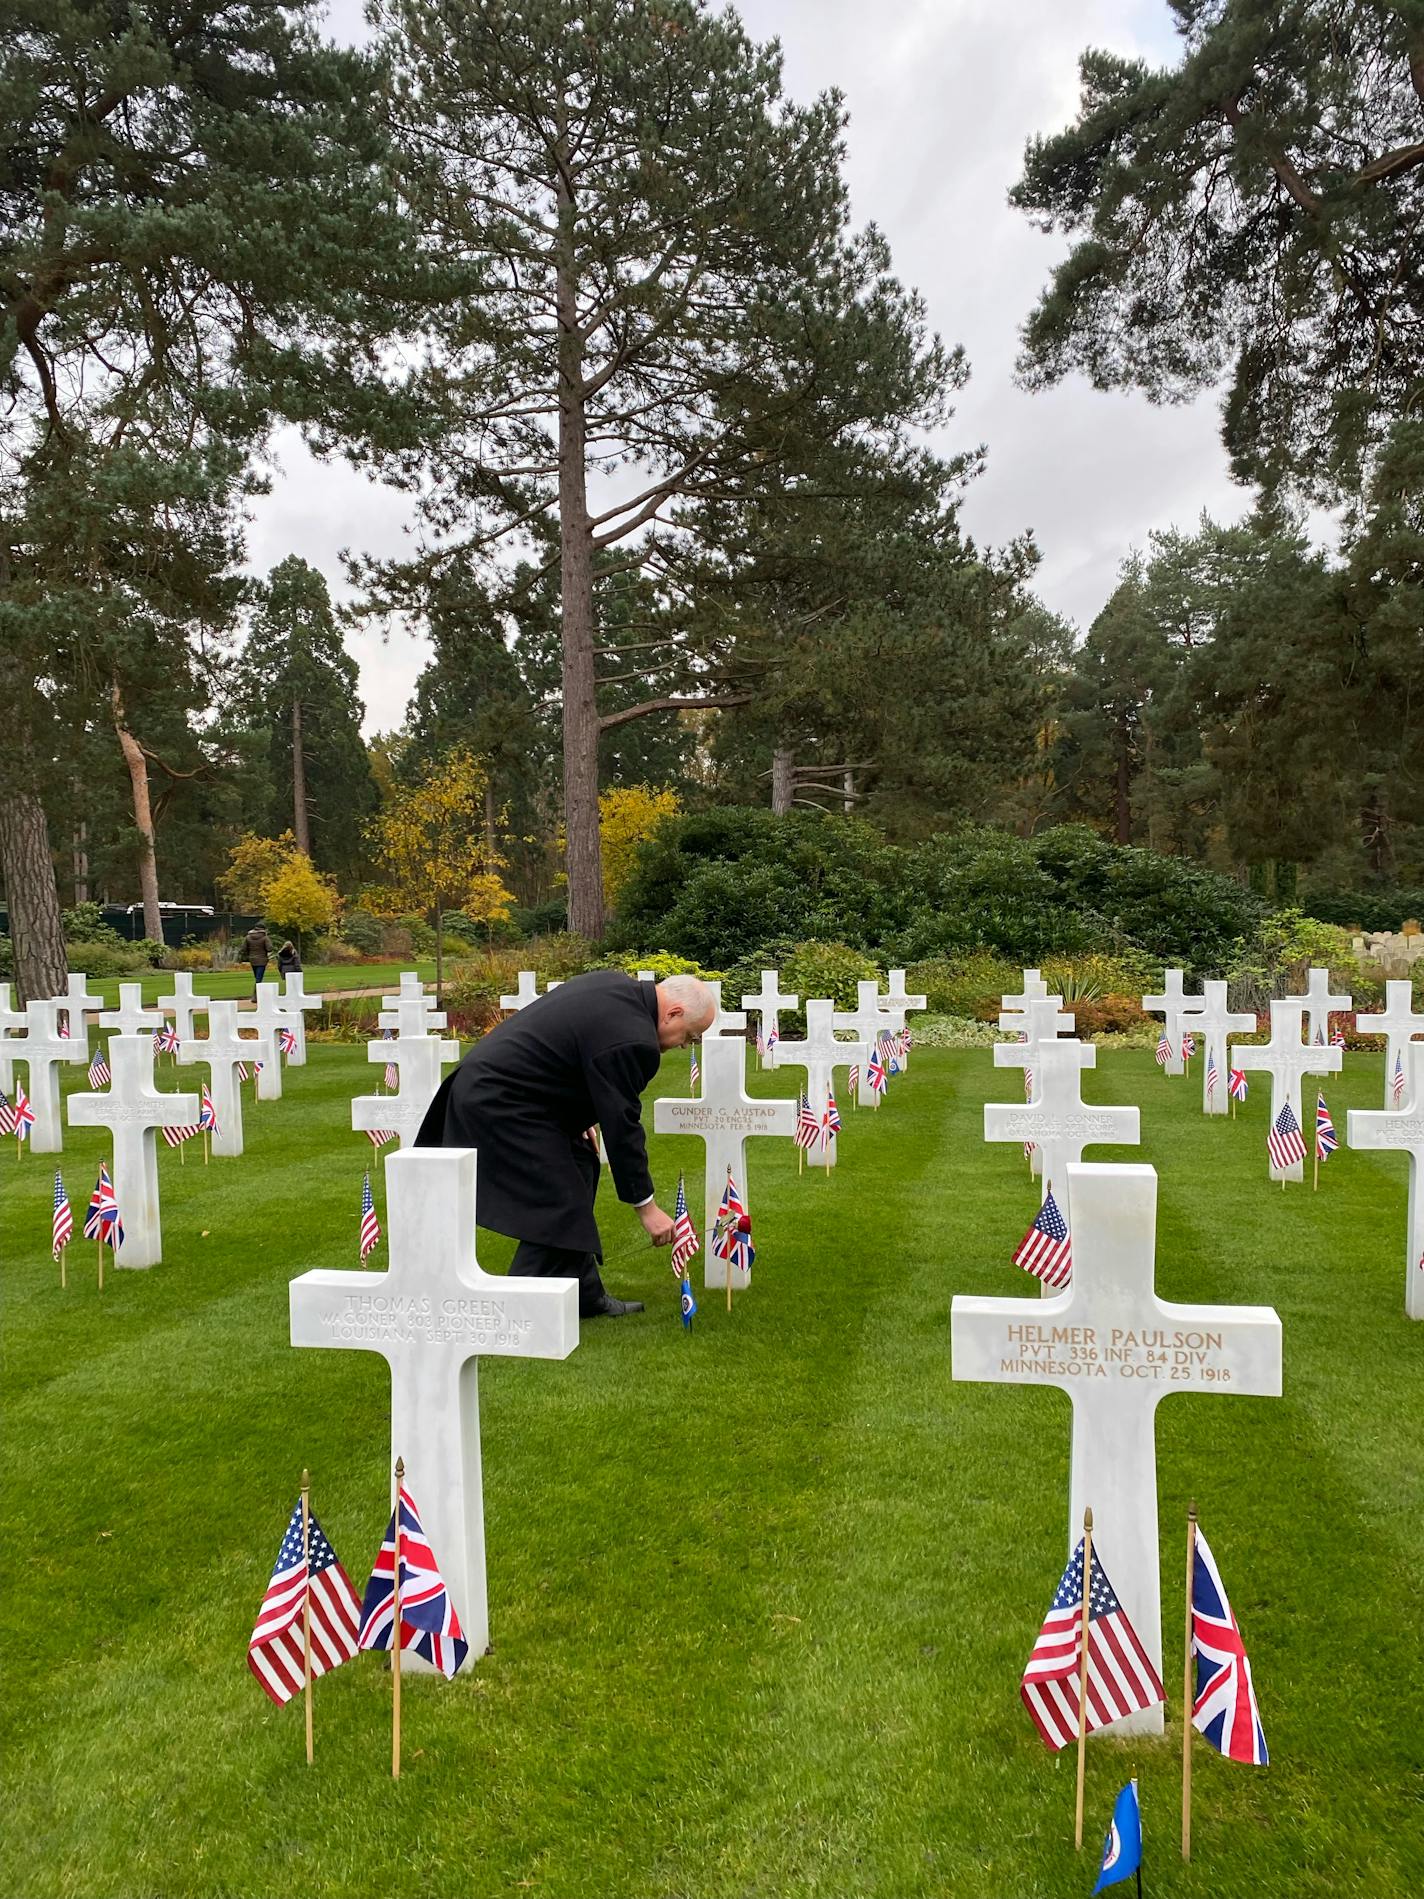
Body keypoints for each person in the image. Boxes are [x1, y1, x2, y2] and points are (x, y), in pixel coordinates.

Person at [416, 971, 715, 1317]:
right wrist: (646, 1207)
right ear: (674, 1013)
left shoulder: (617, 987)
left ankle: (582, 1294)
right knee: (558, 1201)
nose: (683, 1045)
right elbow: (622, 1127)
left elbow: (576, 1049)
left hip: (509, 1090)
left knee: (580, 1163)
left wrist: (580, 1116)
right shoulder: (636, 1040)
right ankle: (515, 1309)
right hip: (500, 1101)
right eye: (689, 1036)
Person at [242, 924, 271, 996]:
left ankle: (258, 993)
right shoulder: (265, 938)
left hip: (252, 959)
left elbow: (243, 948)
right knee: (259, 978)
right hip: (262, 960)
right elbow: (269, 948)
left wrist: (249, 953)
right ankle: (256, 995)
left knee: (257, 977)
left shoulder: (248, 937)